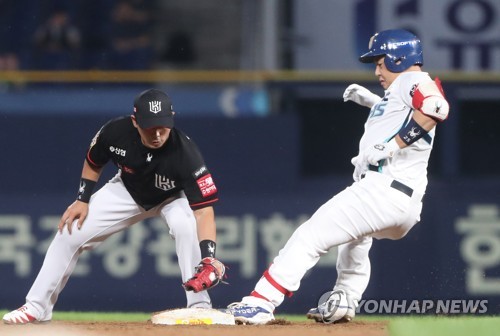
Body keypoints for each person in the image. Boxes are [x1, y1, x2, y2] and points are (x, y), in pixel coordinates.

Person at [227, 29, 449, 325]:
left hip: (383, 189)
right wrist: (375, 103)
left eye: (380, 62)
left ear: (398, 58)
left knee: (310, 235)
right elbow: (408, 114)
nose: (377, 70)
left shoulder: (414, 79)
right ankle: (344, 300)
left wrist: (393, 144)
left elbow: (436, 108)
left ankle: (261, 301)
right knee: (356, 240)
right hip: (404, 202)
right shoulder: (403, 89)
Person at [3, 89, 226, 324]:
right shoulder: (115, 132)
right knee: (69, 232)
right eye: (150, 127)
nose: (158, 134)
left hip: (172, 198)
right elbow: (93, 162)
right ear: (134, 121)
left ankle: (200, 305)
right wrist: (82, 199)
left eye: (163, 126)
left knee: (186, 226)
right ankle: (37, 306)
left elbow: (203, 211)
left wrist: (209, 257)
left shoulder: (186, 154)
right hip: (127, 190)